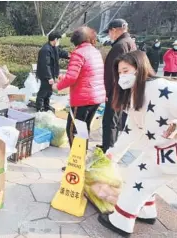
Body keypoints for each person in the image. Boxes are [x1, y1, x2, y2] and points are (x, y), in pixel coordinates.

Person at [98, 51, 177, 237]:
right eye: (120, 73)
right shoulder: (135, 95)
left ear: (139, 68)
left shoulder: (163, 88)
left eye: (126, 70)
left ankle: (121, 220)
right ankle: (146, 211)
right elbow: (132, 130)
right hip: (166, 147)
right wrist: (114, 153)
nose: (122, 77)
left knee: (138, 175)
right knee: (145, 175)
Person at [52, 27, 105, 170]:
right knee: (83, 130)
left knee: (72, 130)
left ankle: (75, 164)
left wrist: (58, 86)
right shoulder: (95, 52)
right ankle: (80, 161)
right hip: (95, 98)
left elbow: (72, 77)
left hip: (82, 100)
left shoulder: (79, 53)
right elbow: (86, 74)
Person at [99, 19, 137, 153]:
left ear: (114, 30)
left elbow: (112, 72)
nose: (109, 35)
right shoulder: (130, 43)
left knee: (110, 121)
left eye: (109, 32)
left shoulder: (120, 46)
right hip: (123, 88)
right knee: (115, 120)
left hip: (116, 90)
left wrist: (107, 91)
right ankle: (108, 146)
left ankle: (108, 150)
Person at [36, 32, 70, 112]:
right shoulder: (45, 50)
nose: (59, 42)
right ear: (55, 40)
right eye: (58, 40)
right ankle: (39, 108)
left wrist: (70, 55)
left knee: (49, 92)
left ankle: (46, 107)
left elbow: (61, 52)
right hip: (46, 75)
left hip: (52, 74)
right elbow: (45, 65)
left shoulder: (54, 47)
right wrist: (49, 77)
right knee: (43, 92)